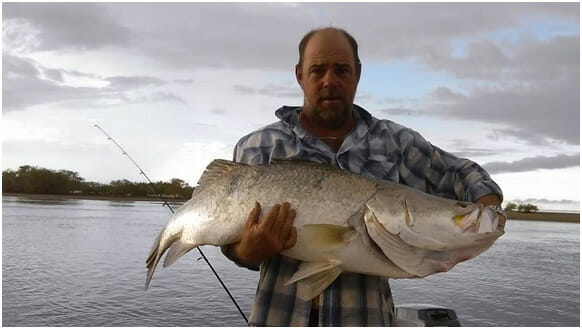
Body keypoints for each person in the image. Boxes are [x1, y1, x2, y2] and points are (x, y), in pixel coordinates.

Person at [221, 27, 505, 326]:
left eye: (342, 70)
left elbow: (464, 173)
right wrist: (247, 251)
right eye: (317, 70)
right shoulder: (258, 147)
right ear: (299, 75)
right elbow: (231, 242)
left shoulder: (396, 143)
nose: (330, 81)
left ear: (357, 74)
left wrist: (489, 210)